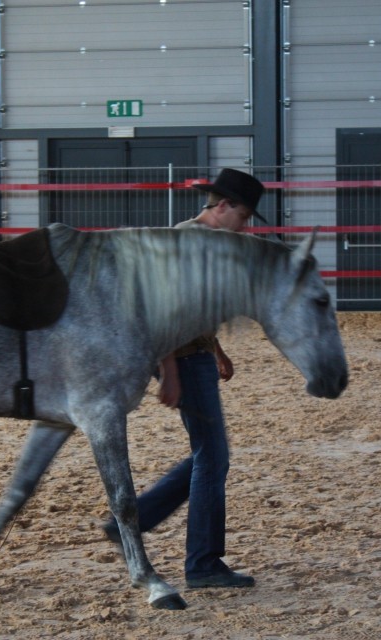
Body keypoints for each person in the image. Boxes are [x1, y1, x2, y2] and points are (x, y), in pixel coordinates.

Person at [103, 168, 266, 589]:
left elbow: (194, 309)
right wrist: (170, 372)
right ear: (225, 206)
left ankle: (138, 519)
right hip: (182, 359)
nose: (244, 225)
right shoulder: (188, 241)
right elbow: (162, 312)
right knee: (213, 458)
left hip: (195, 354)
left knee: (206, 454)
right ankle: (203, 565)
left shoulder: (204, 239)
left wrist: (217, 348)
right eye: (244, 216)